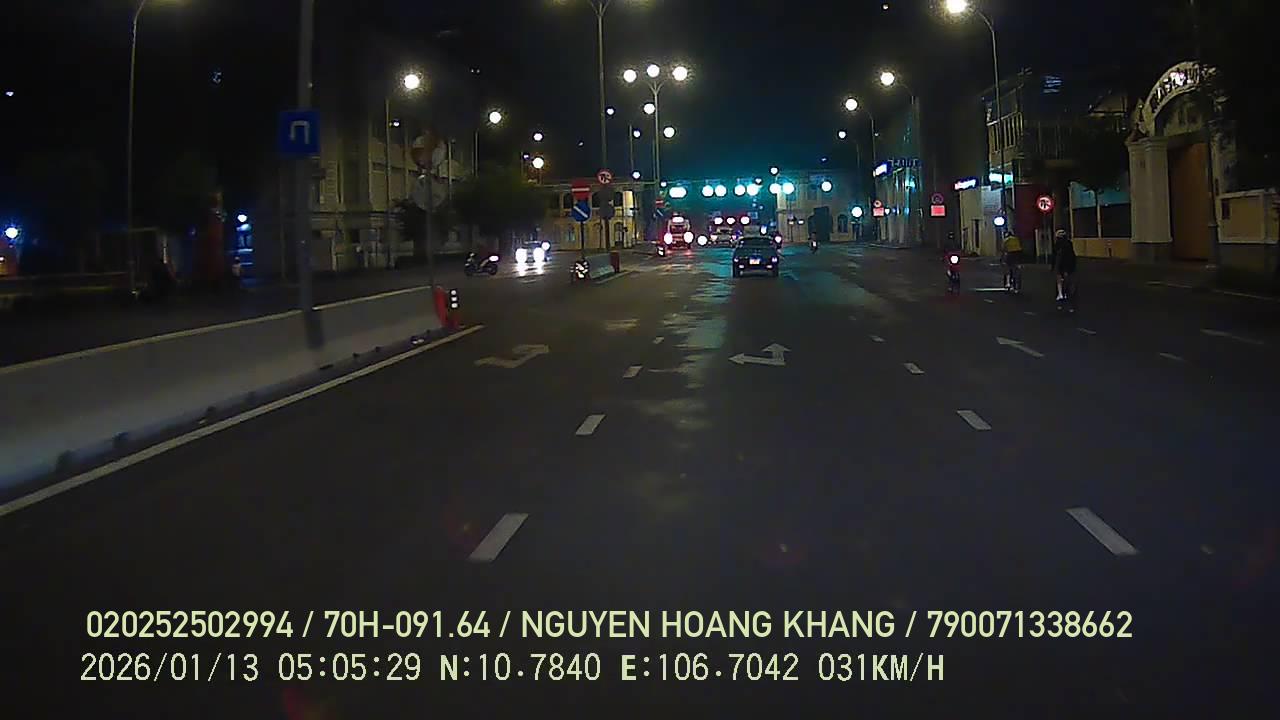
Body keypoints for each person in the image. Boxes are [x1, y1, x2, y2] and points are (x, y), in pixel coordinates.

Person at [1050, 229, 1078, 302]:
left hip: (1061, 264)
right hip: (1067, 264)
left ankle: (1061, 294)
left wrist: (1053, 266)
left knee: (1059, 278)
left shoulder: (1057, 245)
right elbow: (1072, 255)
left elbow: (1054, 256)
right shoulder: (1068, 243)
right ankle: (1065, 293)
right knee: (1066, 279)